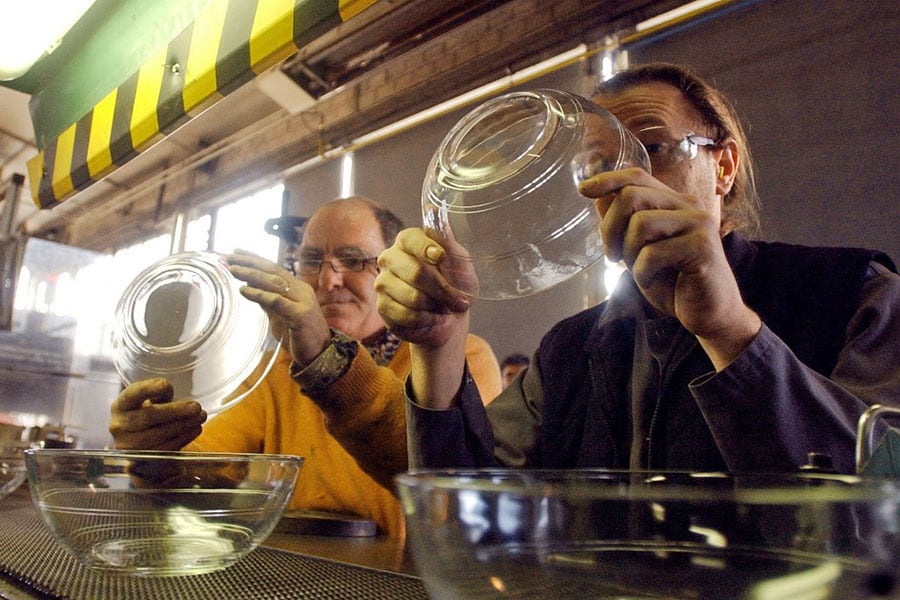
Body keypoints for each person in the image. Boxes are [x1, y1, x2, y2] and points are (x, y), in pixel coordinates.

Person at [374, 63, 900, 475]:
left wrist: (729, 330)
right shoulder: (569, 349)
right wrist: (438, 344)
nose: (622, 182)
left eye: (650, 148)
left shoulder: (856, 293)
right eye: (596, 168)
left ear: (723, 166)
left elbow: (882, 509)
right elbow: (471, 522)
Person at [110, 196, 502, 537]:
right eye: (312, 260)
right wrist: (155, 456)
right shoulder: (276, 370)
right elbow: (207, 467)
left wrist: (325, 360)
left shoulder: (459, 359)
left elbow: (449, 487)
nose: (328, 281)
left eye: (353, 260)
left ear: (394, 270)